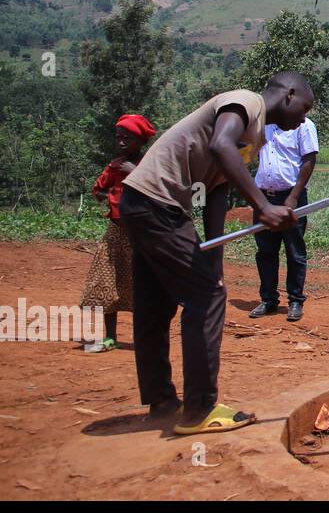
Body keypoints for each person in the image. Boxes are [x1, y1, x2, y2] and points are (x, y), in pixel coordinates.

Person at [118, 72, 313, 435]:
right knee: (206, 299)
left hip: (142, 201)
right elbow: (220, 147)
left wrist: (215, 259)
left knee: (155, 305)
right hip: (159, 204)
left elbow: (216, 193)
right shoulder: (247, 102)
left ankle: (162, 403)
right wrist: (262, 207)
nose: (304, 117)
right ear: (288, 94)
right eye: (305, 107)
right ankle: (199, 409)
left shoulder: (252, 138)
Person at [78, 114, 157, 353]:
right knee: (106, 283)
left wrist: (134, 172)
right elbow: (98, 190)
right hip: (115, 234)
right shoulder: (113, 166)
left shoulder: (149, 165)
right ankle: (110, 336)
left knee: (140, 286)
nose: (121, 142)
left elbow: (158, 191)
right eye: (118, 137)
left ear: (140, 142)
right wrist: (112, 195)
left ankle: (144, 339)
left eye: (127, 138)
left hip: (141, 235)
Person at [249, 116, 318, 322]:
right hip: (263, 198)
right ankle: (268, 299)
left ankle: (296, 300)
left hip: (291, 197)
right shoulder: (262, 125)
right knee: (265, 252)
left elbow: (309, 159)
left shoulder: (304, 124)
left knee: (295, 252)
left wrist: (294, 196)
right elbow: (247, 152)